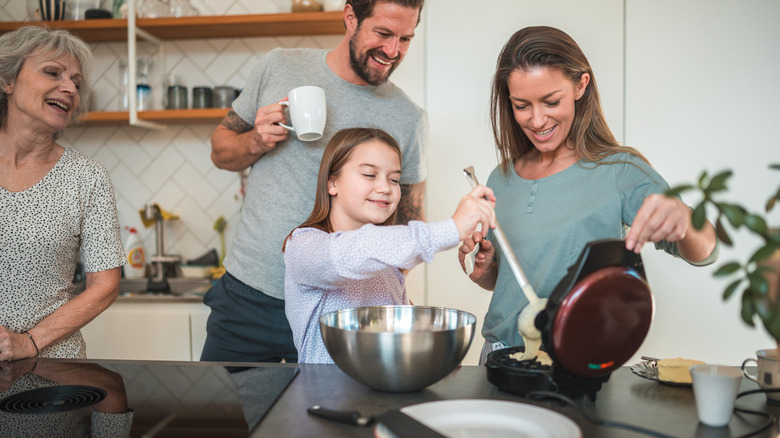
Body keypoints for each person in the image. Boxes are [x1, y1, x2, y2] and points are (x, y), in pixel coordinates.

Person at [457, 26, 720, 365]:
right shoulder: (500, 177)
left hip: (578, 364)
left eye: (551, 101)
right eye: (522, 105)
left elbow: (705, 252)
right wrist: (486, 272)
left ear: (581, 85)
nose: (537, 120)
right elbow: (514, 284)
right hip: (498, 360)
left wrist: (685, 221)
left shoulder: (620, 170)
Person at [202, 0, 428, 363]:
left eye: (405, 39)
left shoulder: (408, 117)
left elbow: (410, 221)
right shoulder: (280, 66)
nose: (393, 51)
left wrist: (380, 295)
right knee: (221, 418)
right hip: (247, 300)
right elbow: (219, 151)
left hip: (340, 314)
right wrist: (256, 140)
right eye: (383, 34)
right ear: (350, 16)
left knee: (326, 418)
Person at [283, 128, 496, 363]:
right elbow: (353, 252)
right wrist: (452, 228)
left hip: (381, 396)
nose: (385, 187)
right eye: (369, 174)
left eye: (394, 179)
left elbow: (405, 339)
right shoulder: (303, 246)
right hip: (324, 396)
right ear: (332, 183)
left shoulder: (389, 270)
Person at [0, 26, 124, 360]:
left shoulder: (87, 177)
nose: (69, 88)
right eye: (53, 73)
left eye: (77, 83)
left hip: (55, 376)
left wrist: (29, 342)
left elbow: (105, 285)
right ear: (7, 81)